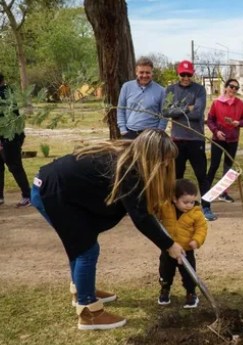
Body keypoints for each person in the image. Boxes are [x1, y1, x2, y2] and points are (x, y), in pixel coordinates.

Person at [30, 129, 185, 331]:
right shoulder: (130, 170)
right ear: (151, 154)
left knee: (81, 244)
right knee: (85, 249)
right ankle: (88, 312)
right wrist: (169, 245)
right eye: (164, 159)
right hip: (51, 192)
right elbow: (140, 217)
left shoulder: (132, 148)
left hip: (59, 188)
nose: (166, 164)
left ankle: (82, 290)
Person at [163, 60, 216, 221]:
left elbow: (197, 114)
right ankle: (175, 207)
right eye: (183, 74)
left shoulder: (199, 90)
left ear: (193, 74)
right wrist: (187, 108)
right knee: (176, 176)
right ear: (178, 74)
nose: (186, 77)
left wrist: (177, 111)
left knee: (202, 175)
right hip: (177, 140)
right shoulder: (170, 90)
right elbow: (165, 111)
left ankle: (206, 207)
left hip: (196, 139)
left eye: (189, 74)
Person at [157, 179, 207, 308]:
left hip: (186, 251)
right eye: (185, 202)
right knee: (165, 272)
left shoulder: (196, 213)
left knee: (189, 274)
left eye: (192, 202)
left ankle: (191, 294)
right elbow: (155, 217)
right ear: (174, 199)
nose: (189, 205)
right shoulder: (165, 207)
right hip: (168, 249)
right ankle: (165, 290)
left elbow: (201, 228)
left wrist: (197, 240)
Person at [207, 78, 243, 202]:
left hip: (233, 140)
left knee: (228, 168)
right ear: (226, 87)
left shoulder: (240, 104)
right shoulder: (216, 103)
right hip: (218, 139)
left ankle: (223, 193)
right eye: (231, 86)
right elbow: (210, 121)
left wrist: (239, 123)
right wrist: (216, 131)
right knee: (214, 166)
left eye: (236, 88)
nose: (233, 89)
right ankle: (207, 193)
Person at [0, 72, 31, 207]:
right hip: (8, 136)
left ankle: (27, 196)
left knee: (14, 166)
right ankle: (0, 197)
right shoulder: (8, 91)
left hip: (8, 137)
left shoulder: (5, 94)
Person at [117, 57, 167, 139]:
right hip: (130, 133)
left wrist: (160, 131)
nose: (144, 75)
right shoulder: (126, 87)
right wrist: (123, 129)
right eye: (141, 72)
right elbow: (120, 109)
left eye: (148, 72)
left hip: (151, 135)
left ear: (152, 73)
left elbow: (164, 115)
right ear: (136, 72)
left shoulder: (161, 90)